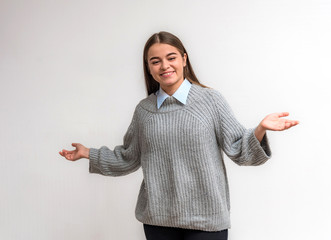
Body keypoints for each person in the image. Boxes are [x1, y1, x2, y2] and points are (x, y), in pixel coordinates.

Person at [59, 31, 299, 240]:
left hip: (207, 221)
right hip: (158, 221)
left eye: (171, 57)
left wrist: (260, 129)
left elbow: (238, 149)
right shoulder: (144, 111)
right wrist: (87, 154)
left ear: (184, 59)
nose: (164, 66)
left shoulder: (210, 100)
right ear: (149, 68)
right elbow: (128, 157)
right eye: (155, 61)